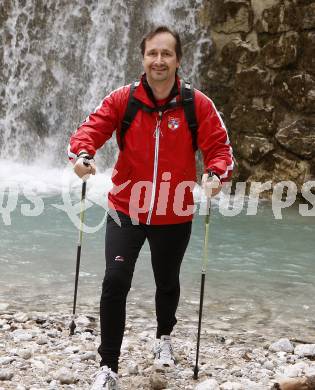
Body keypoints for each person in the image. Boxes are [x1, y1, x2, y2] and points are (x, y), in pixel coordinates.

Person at [68, 26, 233, 390]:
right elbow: (89, 130)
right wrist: (82, 155)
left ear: (178, 60)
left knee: (167, 280)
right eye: (152, 53)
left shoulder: (196, 104)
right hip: (126, 207)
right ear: (143, 58)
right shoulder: (122, 99)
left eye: (166, 54)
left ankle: (163, 338)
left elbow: (219, 147)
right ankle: (108, 366)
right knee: (115, 280)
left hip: (174, 211)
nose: (159, 60)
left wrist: (216, 174)